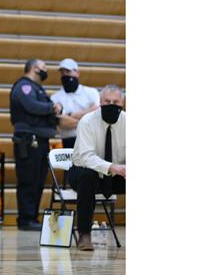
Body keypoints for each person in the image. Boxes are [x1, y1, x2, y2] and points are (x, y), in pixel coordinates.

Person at [67, 84, 126, 251]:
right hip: (82, 171)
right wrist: (112, 167)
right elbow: (86, 157)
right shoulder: (87, 121)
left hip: (115, 174)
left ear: (122, 103)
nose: (111, 105)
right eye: (107, 101)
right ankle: (84, 234)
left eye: (116, 101)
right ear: (100, 102)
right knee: (88, 176)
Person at [9, 59, 61, 231]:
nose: (45, 71)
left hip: (40, 140)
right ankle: (25, 219)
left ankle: (32, 217)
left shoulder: (37, 87)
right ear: (34, 68)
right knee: (28, 180)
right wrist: (52, 107)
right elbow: (32, 106)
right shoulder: (25, 86)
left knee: (38, 180)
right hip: (28, 140)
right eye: (44, 68)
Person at [50, 58, 100, 149]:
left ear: (77, 73)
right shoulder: (55, 98)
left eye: (68, 71)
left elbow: (97, 113)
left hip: (90, 140)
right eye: (62, 72)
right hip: (68, 141)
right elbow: (61, 122)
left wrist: (69, 115)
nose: (65, 75)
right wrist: (87, 115)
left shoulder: (91, 92)